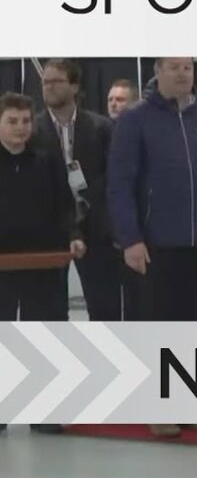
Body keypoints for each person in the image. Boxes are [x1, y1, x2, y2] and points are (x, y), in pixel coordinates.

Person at [107, 56, 197, 319]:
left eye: (188, 68)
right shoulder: (135, 118)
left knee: (194, 322)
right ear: (158, 71)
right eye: (174, 68)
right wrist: (130, 239)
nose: (182, 74)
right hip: (153, 246)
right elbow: (120, 184)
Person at [0, 92, 85, 436]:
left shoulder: (47, 160)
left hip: (44, 261)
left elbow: (66, 205)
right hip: (2, 265)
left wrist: (74, 235)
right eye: (12, 121)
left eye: (25, 121)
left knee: (47, 334)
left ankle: (46, 409)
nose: (21, 128)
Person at [32, 59, 124, 320]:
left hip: (97, 229)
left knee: (105, 308)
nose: (48, 87)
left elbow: (114, 179)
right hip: (50, 229)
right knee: (50, 312)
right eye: (45, 82)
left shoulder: (102, 128)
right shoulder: (33, 131)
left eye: (56, 81)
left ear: (74, 86)